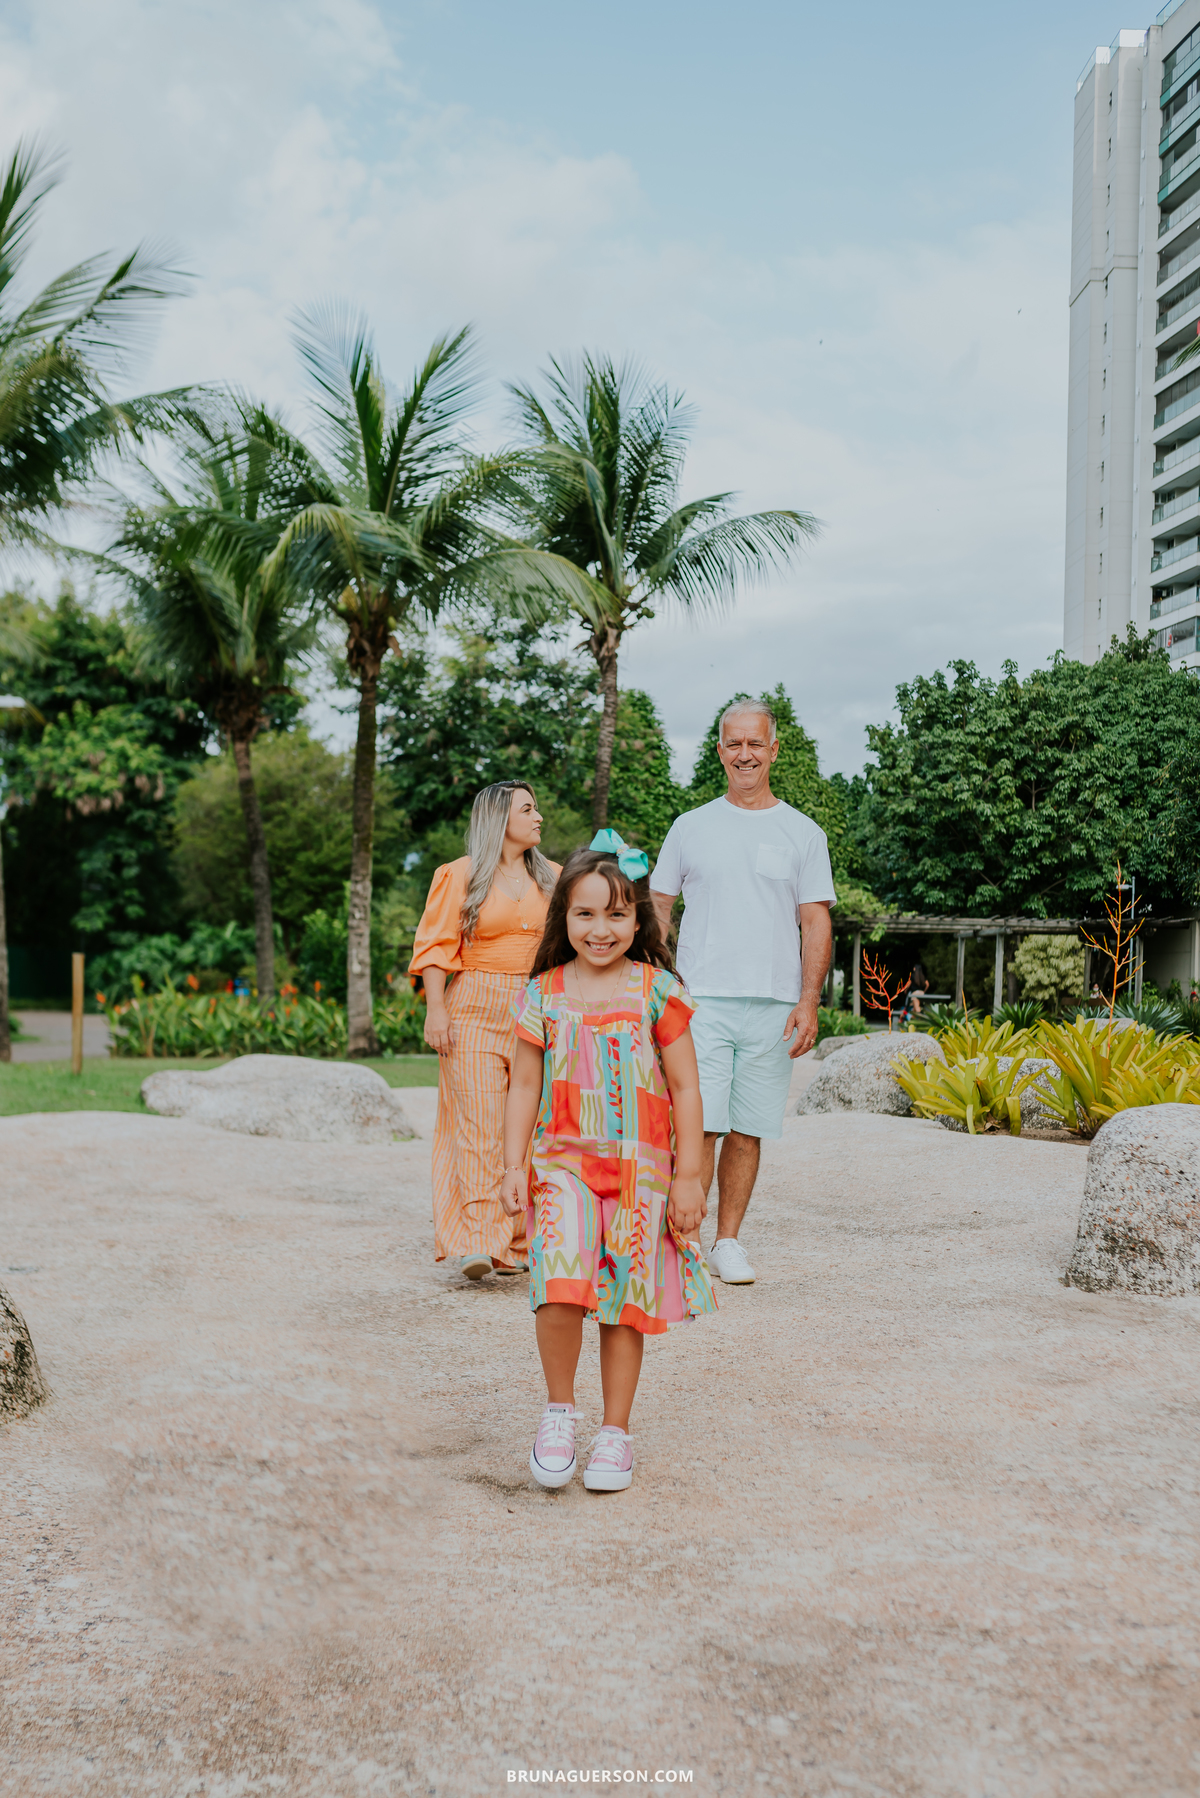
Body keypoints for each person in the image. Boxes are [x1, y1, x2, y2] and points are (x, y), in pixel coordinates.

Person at [500, 834, 716, 1492]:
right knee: (559, 1286)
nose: (601, 929)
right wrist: (512, 1165)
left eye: (617, 914)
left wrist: (688, 1177)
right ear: (563, 917)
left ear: (637, 917)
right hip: (560, 1166)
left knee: (625, 1301)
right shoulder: (542, 993)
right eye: (585, 914)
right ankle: (559, 1414)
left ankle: (615, 1433)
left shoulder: (658, 991)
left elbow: (686, 1088)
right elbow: (525, 1086)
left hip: (640, 1175)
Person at [650, 703, 835, 1285]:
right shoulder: (690, 826)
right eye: (734, 744)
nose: (745, 754)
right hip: (699, 1000)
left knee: (748, 1129)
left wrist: (808, 1001)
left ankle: (727, 1243)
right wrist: (658, 979)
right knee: (699, 1125)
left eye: (755, 743)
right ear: (720, 751)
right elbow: (659, 905)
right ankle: (685, 1245)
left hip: (774, 1005)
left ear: (774, 750)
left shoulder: (803, 833)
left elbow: (816, 921)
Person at [409, 780, 560, 1281]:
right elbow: (435, 946)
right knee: (478, 1124)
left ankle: (514, 1243)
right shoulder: (458, 874)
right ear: (499, 819)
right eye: (528, 809)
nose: (538, 817)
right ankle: (477, 1239)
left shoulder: (555, 877)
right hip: (473, 1004)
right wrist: (436, 1010)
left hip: (537, 1005)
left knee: (531, 1125)